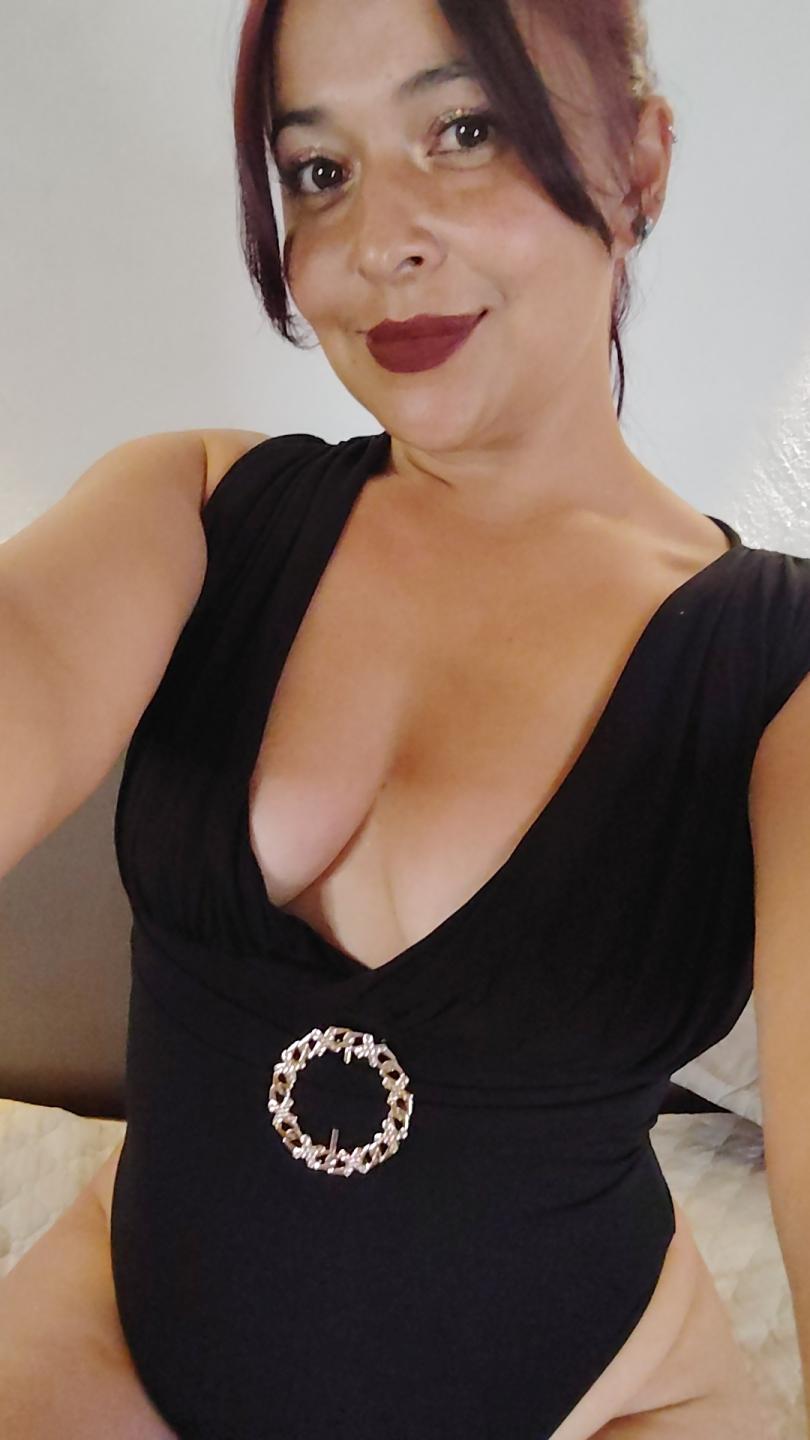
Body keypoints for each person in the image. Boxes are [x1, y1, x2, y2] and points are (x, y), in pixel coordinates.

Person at [2, 0, 807, 1435]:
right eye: (319, 171)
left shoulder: (779, 666)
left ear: (638, 163)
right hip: (116, 1332)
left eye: (465, 129)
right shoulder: (192, 510)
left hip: (603, 1399)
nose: (379, 243)